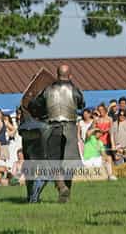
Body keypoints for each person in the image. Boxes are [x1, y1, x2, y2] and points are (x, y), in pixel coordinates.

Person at [26, 64, 85, 203]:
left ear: (57, 75)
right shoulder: (75, 90)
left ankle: (61, 187)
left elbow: (34, 105)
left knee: (54, 163)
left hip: (52, 128)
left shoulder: (47, 90)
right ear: (70, 75)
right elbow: (82, 104)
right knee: (69, 164)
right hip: (70, 128)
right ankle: (65, 192)